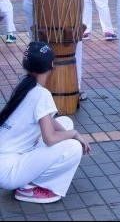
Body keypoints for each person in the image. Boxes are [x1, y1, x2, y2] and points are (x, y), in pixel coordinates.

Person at [0, 41, 91, 204]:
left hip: (7, 161)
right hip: (9, 170)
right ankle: (29, 188)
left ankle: (27, 179)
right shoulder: (41, 94)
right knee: (73, 147)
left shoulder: (24, 85)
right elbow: (50, 139)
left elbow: (49, 120)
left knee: (65, 122)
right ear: (51, 64)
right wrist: (74, 135)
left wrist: (68, 133)